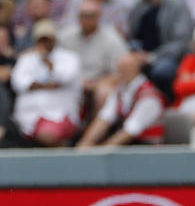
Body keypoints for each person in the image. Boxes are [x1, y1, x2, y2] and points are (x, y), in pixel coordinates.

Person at [10, 19, 83, 147]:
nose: (44, 43)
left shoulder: (70, 58)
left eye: (47, 39)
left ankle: (68, 161)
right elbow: (18, 83)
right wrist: (48, 85)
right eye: (41, 39)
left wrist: (49, 65)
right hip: (28, 115)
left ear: (55, 38)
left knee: (47, 136)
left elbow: (65, 78)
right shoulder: (26, 58)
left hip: (60, 114)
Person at [77, 52, 165, 147]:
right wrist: (86, 142)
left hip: (148, 151)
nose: (121, 72)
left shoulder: (149, 97)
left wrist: (101, 151)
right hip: (129, 148)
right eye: (120, 69)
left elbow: (130, 130)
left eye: (126, 69)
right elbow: (105, 118)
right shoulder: (119, 90)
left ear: (136, 70)